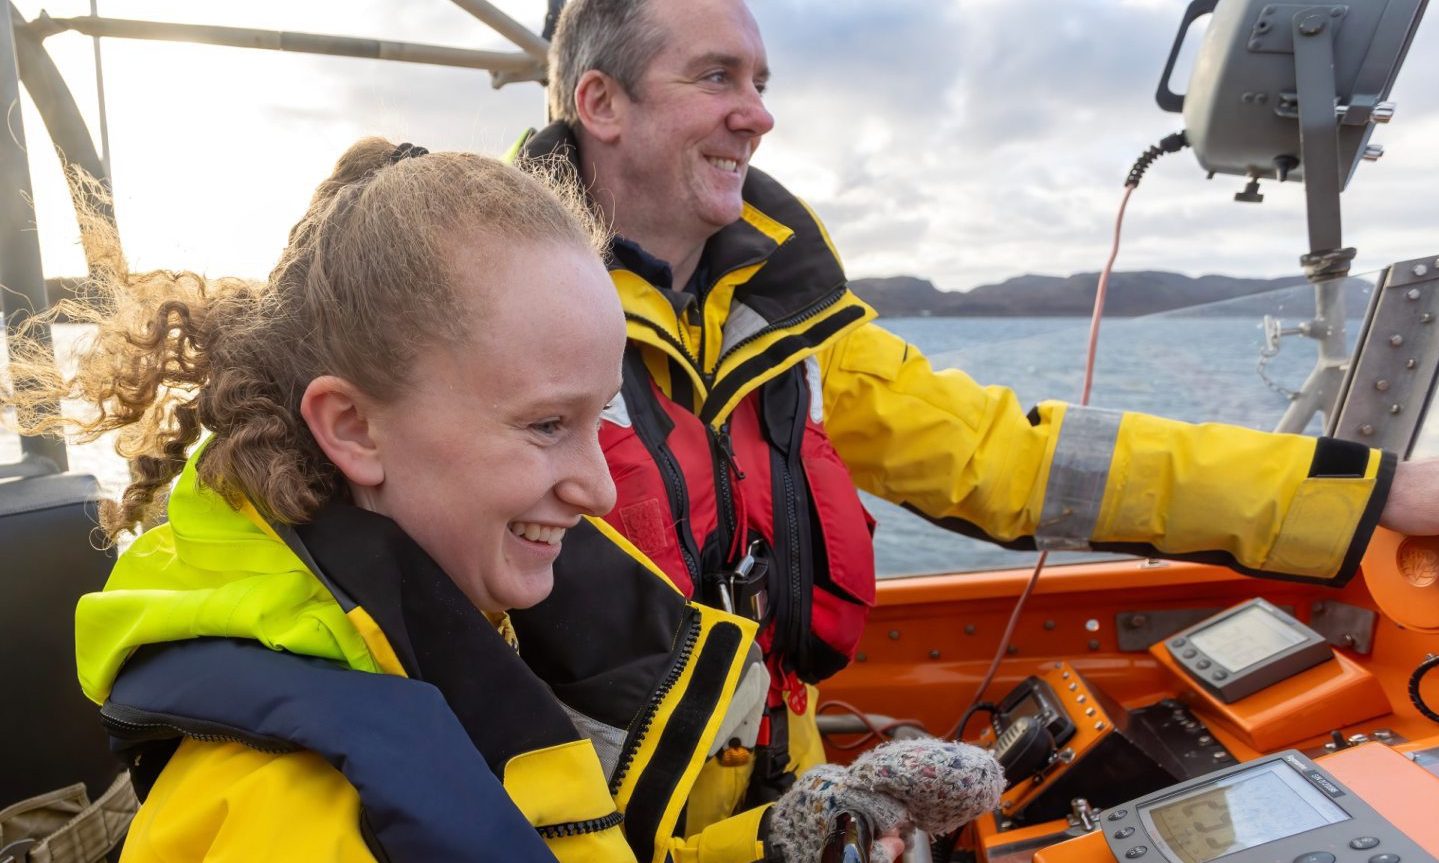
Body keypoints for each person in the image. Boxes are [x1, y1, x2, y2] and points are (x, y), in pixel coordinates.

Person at [520, 0, 1439, 832]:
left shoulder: (788, 333)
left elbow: (1018, 457)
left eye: (760, 83)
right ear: (600, 103)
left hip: (790, 804)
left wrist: (1374, 491)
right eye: (716, 76)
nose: (757, 113)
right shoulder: (482, 326)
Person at [4, 140, 1003, 862]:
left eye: (599, 416)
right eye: (541, 425)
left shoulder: (433, 604)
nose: (601, 487)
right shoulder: (283, 811)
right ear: (351, 427)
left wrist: (784, 841)